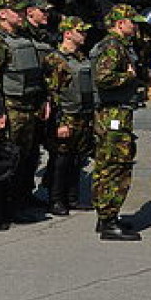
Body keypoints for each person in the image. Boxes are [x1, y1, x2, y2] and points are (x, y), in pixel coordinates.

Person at [0, 0, 51, 230]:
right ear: (3, 13)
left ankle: (15, 207)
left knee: (23, 160)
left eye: (22, 11)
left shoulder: (23, 38)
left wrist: (43, 100)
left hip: (28, 107)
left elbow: (35, 74)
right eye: (16, 11)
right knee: (1, 162)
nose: (20, 15)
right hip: (8, 108)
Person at [91, 5, 147, 241]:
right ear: (119, 23)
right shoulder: (113, 47)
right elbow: (103, 78)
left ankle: (107, 216)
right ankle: (108, 220)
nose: (134, 26)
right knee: (115, 165)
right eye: (131, 22)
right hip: (113, 114)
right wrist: (129, 76)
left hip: (116, 112)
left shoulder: (118, 46)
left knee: (111, 164)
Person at [42, 16, 96, 217]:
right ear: (67, 34)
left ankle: (72, 197)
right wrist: (59, 122)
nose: (84, 35)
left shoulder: (81, 57)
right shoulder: (55, 59)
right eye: (80, 31)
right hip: (66, 115)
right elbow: (52, 93)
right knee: (61, 158)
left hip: (82, 114)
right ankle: (55, 199)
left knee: (76, 158)